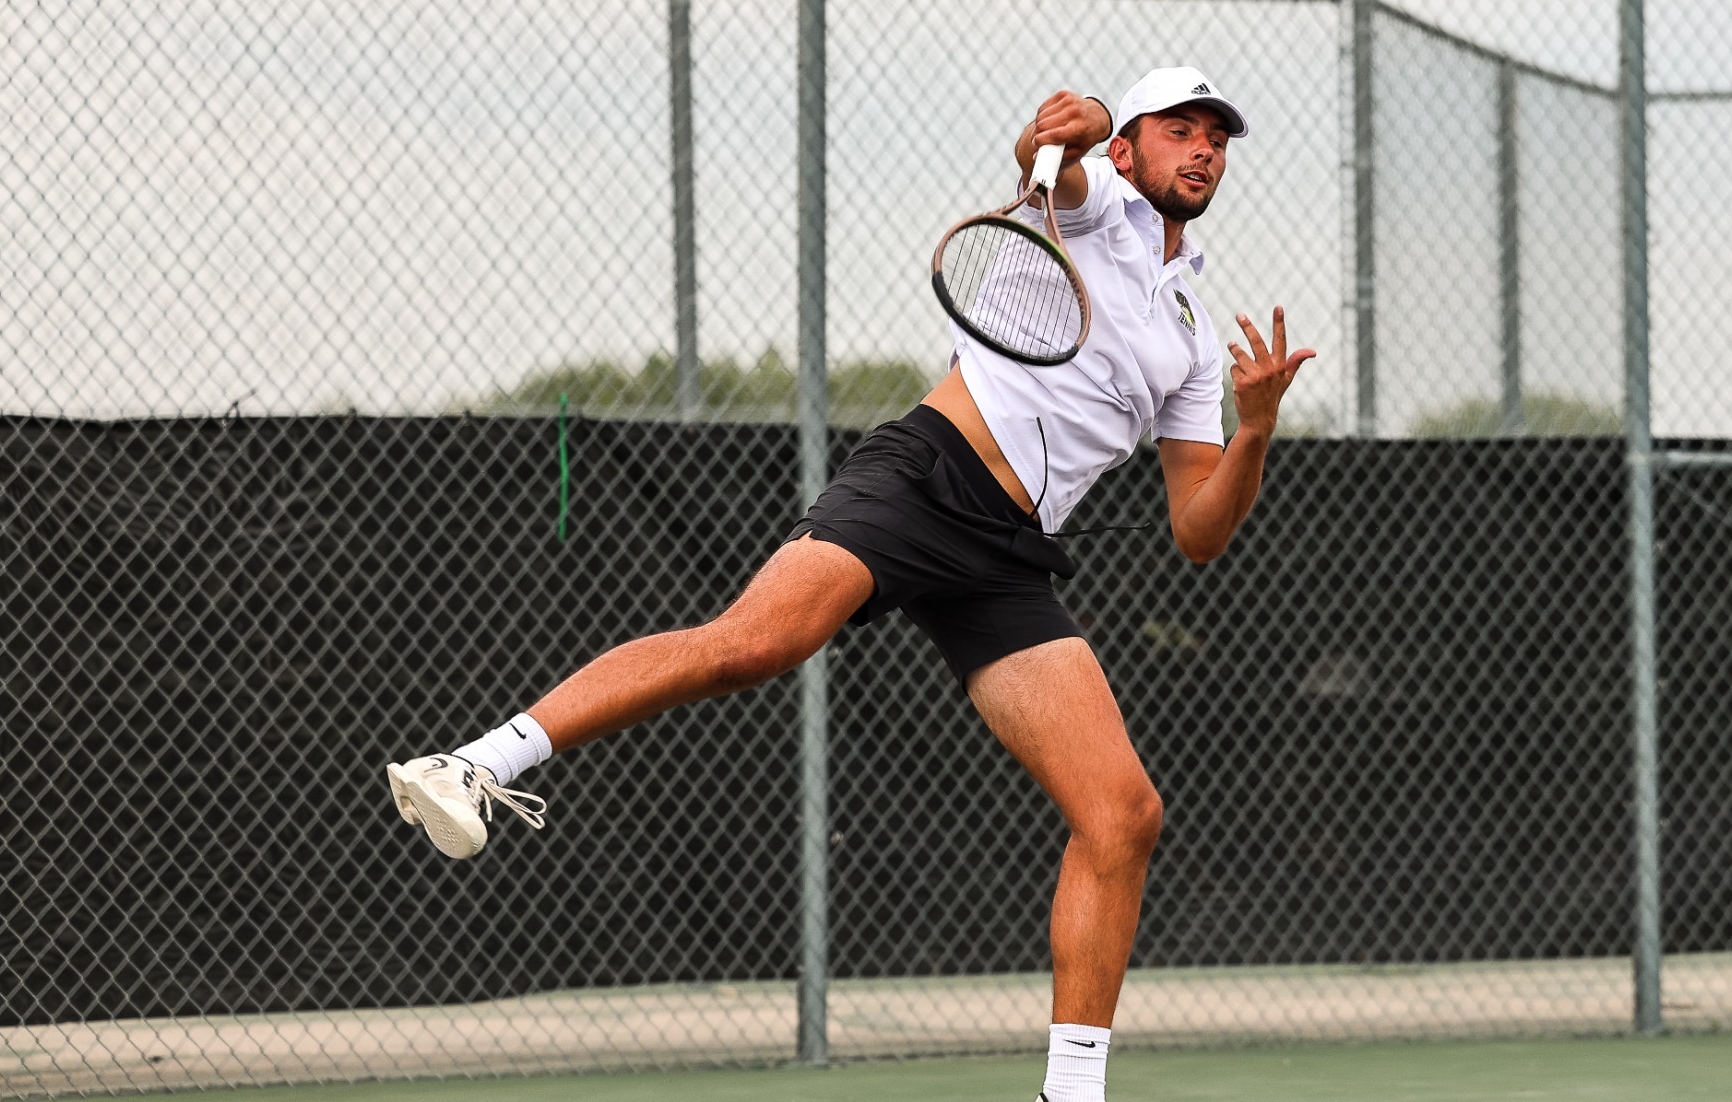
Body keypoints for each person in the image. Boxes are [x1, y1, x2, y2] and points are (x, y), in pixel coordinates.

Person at [386, 66, 1313, 1102]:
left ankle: (1071, 1094)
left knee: (1123, 813)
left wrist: (1255, 428)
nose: (1202, 147)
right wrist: (1090, 118)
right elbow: (1048, 150)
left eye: (1216, 136)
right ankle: (475, 761)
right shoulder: (1091, 204)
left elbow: (1197, 529)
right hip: (923, 480)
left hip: (1010, 555)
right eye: (1178, 128)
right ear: (1131, 149)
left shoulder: (1188, 327)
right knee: (755, 644)